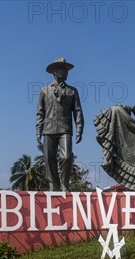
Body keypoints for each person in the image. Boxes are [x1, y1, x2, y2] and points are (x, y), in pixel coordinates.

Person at [36, 56, 84, 191]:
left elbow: (78, 111)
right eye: (64, 70)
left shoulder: (72, 91)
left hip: (65, 129)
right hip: (48, 129)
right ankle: (53, 186)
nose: (66, 72)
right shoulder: (44, 90)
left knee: (67, 157)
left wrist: (79, 128)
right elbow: (40, 112)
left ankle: (64, 184)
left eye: (67, 70)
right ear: (55, 71)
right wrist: (38, 130)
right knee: (49, 158)